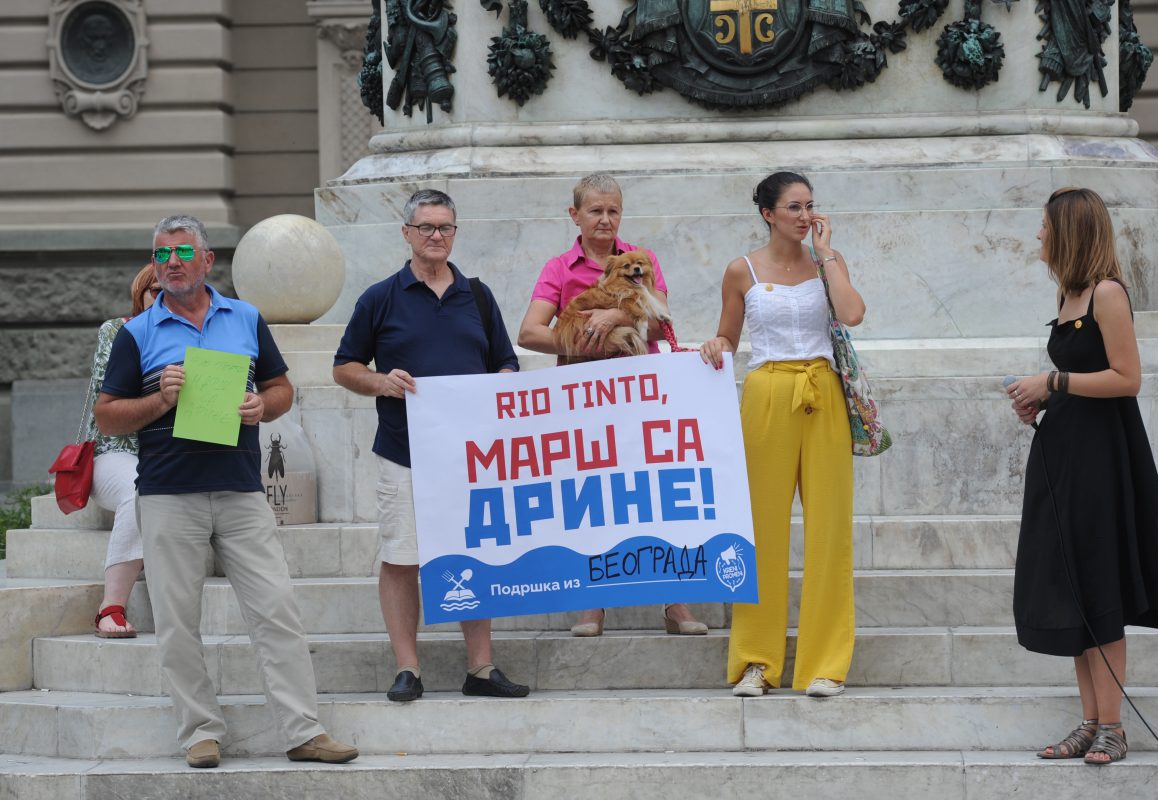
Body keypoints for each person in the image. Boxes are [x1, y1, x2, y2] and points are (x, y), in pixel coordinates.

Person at [94, 214, 358, 769]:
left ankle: (303, 730)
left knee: (276, 611)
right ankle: (199, 733)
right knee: (176, 621)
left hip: (240, 490)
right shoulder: (136, 332)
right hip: (167, 494)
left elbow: (281, 387)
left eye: (183, 253)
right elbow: (108, 418)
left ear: (208, 260)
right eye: (162, 255)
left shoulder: (246, 317)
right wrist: (159, 402)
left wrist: (266, 406)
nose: (172, 264)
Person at [1005, 188, 1158, 765]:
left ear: (1068, 230)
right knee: (1072, 583)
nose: (1038, 236)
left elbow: (1128, 378)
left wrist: (1054, 383)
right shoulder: (1068, 294)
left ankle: (1113, 726)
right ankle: (1089, 722)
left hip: (1100, 460)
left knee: (1100, 582)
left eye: (1044, 226)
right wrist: (1038, 401)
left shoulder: (1107, 294)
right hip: (1060, 453)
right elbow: (1079, 377)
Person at [333, 189, 531, 702]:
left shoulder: (478, 295)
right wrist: (381, 382)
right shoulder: (380, 297)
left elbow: (505, 361)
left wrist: (505, 380)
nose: (437, 236)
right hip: (404, 451)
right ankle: (408, 668)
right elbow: (344, 366)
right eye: (426, 228)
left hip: (472, 457)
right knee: (402, 557)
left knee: (474, 554)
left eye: (445, 227)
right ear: (407, 234)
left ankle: (481, 668)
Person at [516, 173, 708, 638]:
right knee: (590, 501)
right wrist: (589, 342)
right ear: (575, 215)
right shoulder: (559, 268)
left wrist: (620, 314)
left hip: (639, 396)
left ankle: (674, 601)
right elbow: (529, 333)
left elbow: (663, 324)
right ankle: (591, 603)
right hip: (583, 401)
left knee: (654, 495)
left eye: (613, 211)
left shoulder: (642, 260)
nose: (605, 219)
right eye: (595, 211)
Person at [700, 171, 865, 698]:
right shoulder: (741, 270)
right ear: (768, 213)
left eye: (810, 206)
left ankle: (825, 664)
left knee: (829, 530)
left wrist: (828, 256)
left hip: (823, 392)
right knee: (762, 530)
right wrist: (714, 345)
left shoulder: (826, 262)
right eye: (794, 207)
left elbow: (854, 314)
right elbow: (728, 335)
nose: (805, 215)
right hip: (767, 392)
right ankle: (757, 662)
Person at [84, 263, 159, 637]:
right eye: (154, 291)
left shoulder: (197, 334)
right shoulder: (117, 330)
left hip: (169, 452)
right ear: (140, 295)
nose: (162, 298)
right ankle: (110, 607)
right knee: (139, 491)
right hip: (112, 452)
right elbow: (107, 403)